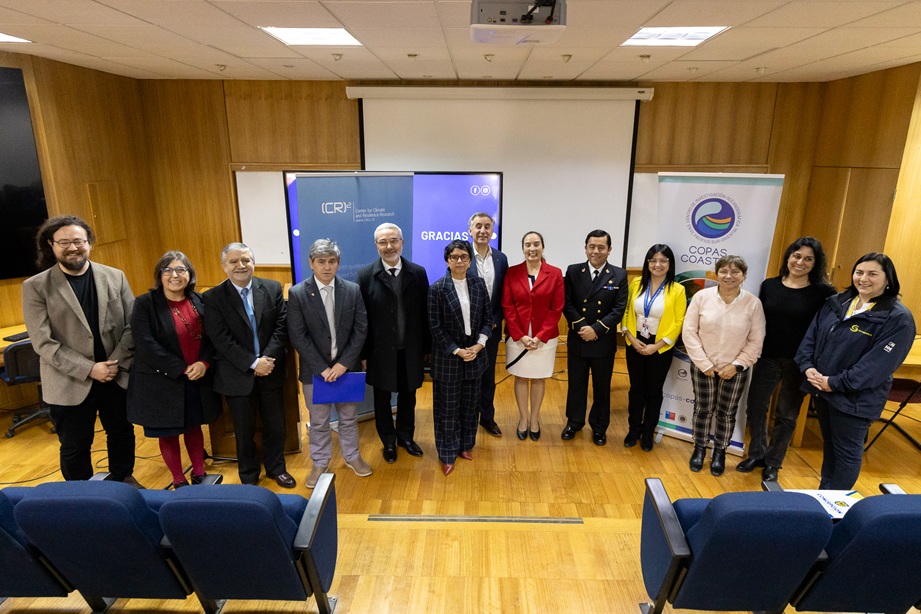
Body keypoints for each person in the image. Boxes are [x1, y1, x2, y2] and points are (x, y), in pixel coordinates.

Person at [22, 215, 142, 486]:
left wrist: (114, 363)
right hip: (69, 380)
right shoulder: (36, 287)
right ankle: (81, 497)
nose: (72, 247)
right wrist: (90, 369)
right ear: (51, 246)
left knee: (122, 433)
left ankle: (124, 481)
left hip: (116, 373)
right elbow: (43, 342)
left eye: (78, 241)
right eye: (64, 242)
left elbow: (133, 325)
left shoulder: (115, 276)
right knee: (75, 445)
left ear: (89, 243)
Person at [796, 252, 915, 490]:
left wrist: (835, 383)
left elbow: (876, 366)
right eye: (859, 272)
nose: (863, 279)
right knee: (830, 449)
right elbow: (812, 337)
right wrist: (807, 367)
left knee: (846, 455)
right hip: (823, 390)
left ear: (888, 279)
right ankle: (825, 498)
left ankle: (835, 508)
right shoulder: (838, 303)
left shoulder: (898, 318)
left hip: (855, 399)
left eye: (873, 274)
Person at [736, 237, 835, 482]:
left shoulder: (824, 292)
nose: (800, 262)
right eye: (796, 256)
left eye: (808, 259)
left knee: (787, 414)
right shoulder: (769, 285)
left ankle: (773, 462)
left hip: (800, 362)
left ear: (815, 263)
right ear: (788, 257)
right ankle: (757, 453)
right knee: (756, 407)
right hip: (768, 356)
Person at [202, 242, 295, 488]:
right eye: (233, 261)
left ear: (253, 262)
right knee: (243, 430)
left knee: (276, 425)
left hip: (271, 370)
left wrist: (266, 360)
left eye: (245, 260)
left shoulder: (273, 288)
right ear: (224, 267)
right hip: (237, 373)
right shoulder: (212, 298)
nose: (240, 265)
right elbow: (220, 338)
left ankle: (277, 469)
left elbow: (281, 327)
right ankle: (249, 475)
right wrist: (253, 363)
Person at [127, 251, 221, 488]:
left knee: (194, 426)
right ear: (159, 275)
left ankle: (199, 473)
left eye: (181, 270)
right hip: (164, 379)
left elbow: (213, 338)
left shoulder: (200, 301)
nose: (174, 275)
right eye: (167, 270)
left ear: (190, 275)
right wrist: (181, 368)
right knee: (168, 432)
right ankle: (178, 480)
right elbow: (145, 343)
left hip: (197, 376)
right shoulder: (145, 304)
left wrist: (204, 363)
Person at [289, 239, 371, 488]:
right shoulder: (298, 293)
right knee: (319, 421)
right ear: (311, 263)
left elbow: (361, 329)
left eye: (332, 261)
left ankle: (352, 457)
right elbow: (297, 335)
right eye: (321, 261)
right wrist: (322, 368)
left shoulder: (352, 290)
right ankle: (320, 462)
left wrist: (344, 364)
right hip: (316, 373)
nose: (327, 266)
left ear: (338, 263)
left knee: (348, 418)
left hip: (346, 370)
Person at [682, 255, 766, 476]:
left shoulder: (753, 303)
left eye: (735, 272)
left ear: (744, 276)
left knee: (726, 412)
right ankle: (699, 448)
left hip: (735, 369)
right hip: (704, 367)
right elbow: (689, 332)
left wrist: (737, 365)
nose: (729, 276)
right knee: (702, 409)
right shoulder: (702, 297)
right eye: (724, 271)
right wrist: (704, 363)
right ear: (716, 274)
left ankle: (719, 451)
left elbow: (756, 340)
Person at [357, 223, 429, 464]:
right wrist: (364, 354)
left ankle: (406, 438)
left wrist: (426, 350)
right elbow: (363, 319)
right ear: (376, 246)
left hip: (410, 349)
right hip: (380, 352)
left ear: (402, 242)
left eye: (393, 241)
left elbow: (424, 314)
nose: (389, 247)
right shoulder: (365, 275)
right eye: (383, 242)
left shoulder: (418, 273)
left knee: (409, 396)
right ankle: (388, 441)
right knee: (382, 398)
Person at [428, 240, 492, 476]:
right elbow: (434, 327)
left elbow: (488, 319)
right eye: (454, 257)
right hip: (449, 360)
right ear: (447, 260)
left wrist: (479, 345)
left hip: (475, 356)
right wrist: (457, 350)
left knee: (469, 407)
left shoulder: (478, 284)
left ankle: (465, 445)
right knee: (447, 409)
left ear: (469, 260)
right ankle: (447, 453)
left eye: (463, 257)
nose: (459, 261)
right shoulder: (437, 289)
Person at [561, 229, 628, 446]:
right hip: (578, 337)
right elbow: (567, 304)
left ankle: (599, 427)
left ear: (609, 250)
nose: (596, 251)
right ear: (585, 247)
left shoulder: (619, 275)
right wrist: (582, 327)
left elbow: (619, 309)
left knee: (601, 386)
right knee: (576, 383)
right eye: (592, 246)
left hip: (603, 340)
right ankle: (574, 422)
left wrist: (596, 329)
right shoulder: (573, 271)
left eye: (601, 247)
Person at [621, 244, 687, 452]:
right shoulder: (636, 283)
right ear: (647, 263)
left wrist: (656, 346)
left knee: (653, 391)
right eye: (653, 260)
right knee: (636, 389)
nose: (657, 265)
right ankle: (633, 430)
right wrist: (631, 337)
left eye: (663, 261)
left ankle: (648, 432)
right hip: (635, 343)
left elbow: (679, 322)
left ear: (670, 264)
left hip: (660, 348)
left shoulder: (677, 290)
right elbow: (625, 312)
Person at [501, 231, 564, 441]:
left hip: (543, 337)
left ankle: (535, 419)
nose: (532, 248)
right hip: (518, 336)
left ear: (543, 247)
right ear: (523, 248)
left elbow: (557, 309)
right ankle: (522, 418)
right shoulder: (511, 273)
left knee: (538, 379)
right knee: (520, 377)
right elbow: (507, 306)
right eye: (528, 244)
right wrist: (520, 336)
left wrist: (539, 336)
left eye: (536, 244)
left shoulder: (555, 273)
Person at [467, 212, 508, 438]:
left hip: (491, 329)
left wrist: (495, 321)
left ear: (492, 231)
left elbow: (504, 296)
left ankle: (487, 417)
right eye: (478, 226)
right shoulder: (461, 256)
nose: (483, 230)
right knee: (469, 375)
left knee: (488, 374)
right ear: (470, 231)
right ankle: (469, 417)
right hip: (467, 330)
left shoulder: (501, 259)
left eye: (487, 227)